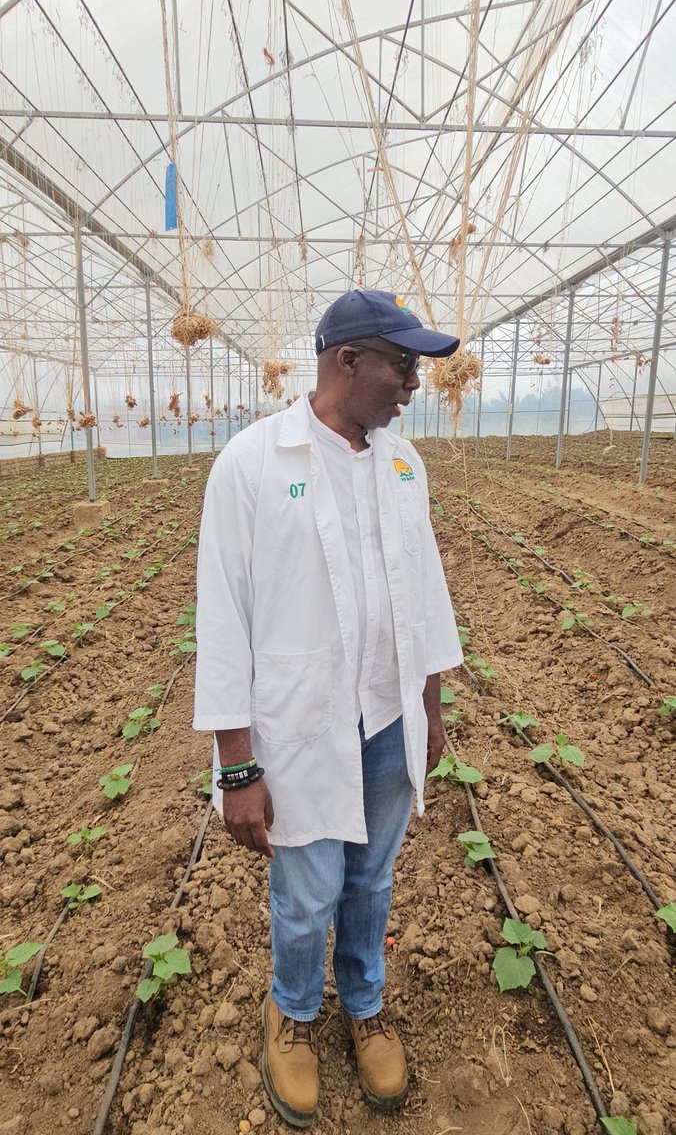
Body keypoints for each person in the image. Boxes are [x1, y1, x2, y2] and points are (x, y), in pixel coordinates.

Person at [194, 289, 464, 1129]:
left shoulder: (402, 461)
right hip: (300, 724)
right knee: (307, 890)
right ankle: (295, 1014)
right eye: (403, 364)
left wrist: (432, 707)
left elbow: (424, 592)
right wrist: (237, 763)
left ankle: (365, 1004)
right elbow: (224, 616)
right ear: (348, 362)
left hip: (386, 716)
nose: (414, 383)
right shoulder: (251, 462)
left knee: (372, 880)